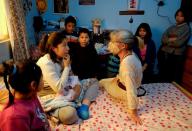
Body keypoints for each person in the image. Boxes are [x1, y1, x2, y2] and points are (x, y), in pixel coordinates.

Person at [37, 32, 97, 124]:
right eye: (64, 46)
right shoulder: (46, 63)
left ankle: (84, 106)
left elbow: (71, 77)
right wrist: (66, 67)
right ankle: (69, 106)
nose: (68, 48)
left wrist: (76, 85)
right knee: (69, 115)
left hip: (66, 89)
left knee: (94, 82)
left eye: (67, 45)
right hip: (52, 95)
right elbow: (59, 89)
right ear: (54, 48)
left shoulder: (61, 57)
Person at [99, 30, 143, 125]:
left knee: (101, 82)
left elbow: (131, 89)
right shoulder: (131, 53)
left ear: (123, 46)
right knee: (103, 81)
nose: (110, 44)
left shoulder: (127, 63)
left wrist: (133, 111)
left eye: (113, 42)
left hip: (123, 91)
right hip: (121, 82)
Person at [0, 60, 50, 131]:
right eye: (42, 78)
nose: (43, 80)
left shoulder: (32, 95)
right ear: (33, 85)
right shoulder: (15, 117)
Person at [69, 28, 99, 118]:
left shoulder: (92, 50)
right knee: (77, 89)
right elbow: (71, 66)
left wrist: (94, 76)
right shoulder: (73, 49)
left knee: (95, 84)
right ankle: (76, 105)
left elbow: (96, 65)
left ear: (89, 39)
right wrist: (75, 77)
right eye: (82, 37)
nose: (84, 39)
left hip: (89, 77)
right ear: (78, 38)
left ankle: (84, 106)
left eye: (86, 37)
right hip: (77, 77)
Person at [157, 8, 191, 83]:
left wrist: (168, 39)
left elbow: (178, 43)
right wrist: (172, 39)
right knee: (163, 73)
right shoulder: (172, 27)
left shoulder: (186, 28)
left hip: (175, 55)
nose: (178, 17)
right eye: (177, 15)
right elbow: (163, 38)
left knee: (171, 76)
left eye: (181, 16)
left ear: (185, 17)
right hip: (164, 52)